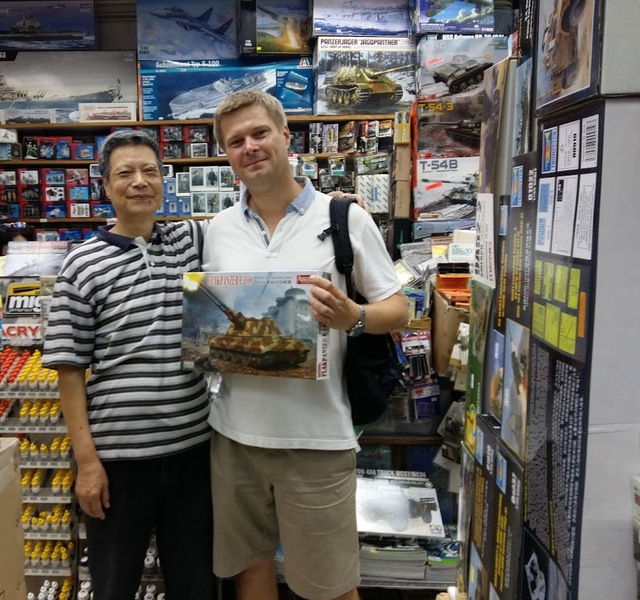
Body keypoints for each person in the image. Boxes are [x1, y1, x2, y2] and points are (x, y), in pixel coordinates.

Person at [205, 90, 409, 600]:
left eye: (259, 133)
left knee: (330, 585)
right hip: (233, 436)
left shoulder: (344, 218)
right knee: (249, 570)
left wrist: (354, 317)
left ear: (284, 136)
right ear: (226, 154)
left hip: (317, 438)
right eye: (236, 141)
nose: (250, 147)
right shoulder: (218, 229)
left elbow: (398, 308)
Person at [41, 130, 214, 600]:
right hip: (117, 461)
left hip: (192, 451)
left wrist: (329, 205)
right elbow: (69, 370)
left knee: (196, 582)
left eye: (150, 171)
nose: (139, 181)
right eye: (125, 173)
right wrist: (86, 463)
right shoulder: (82, 264)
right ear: (105, 185)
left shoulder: (191, 240)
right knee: (114, 584)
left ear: (164, 181)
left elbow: (256, 218)